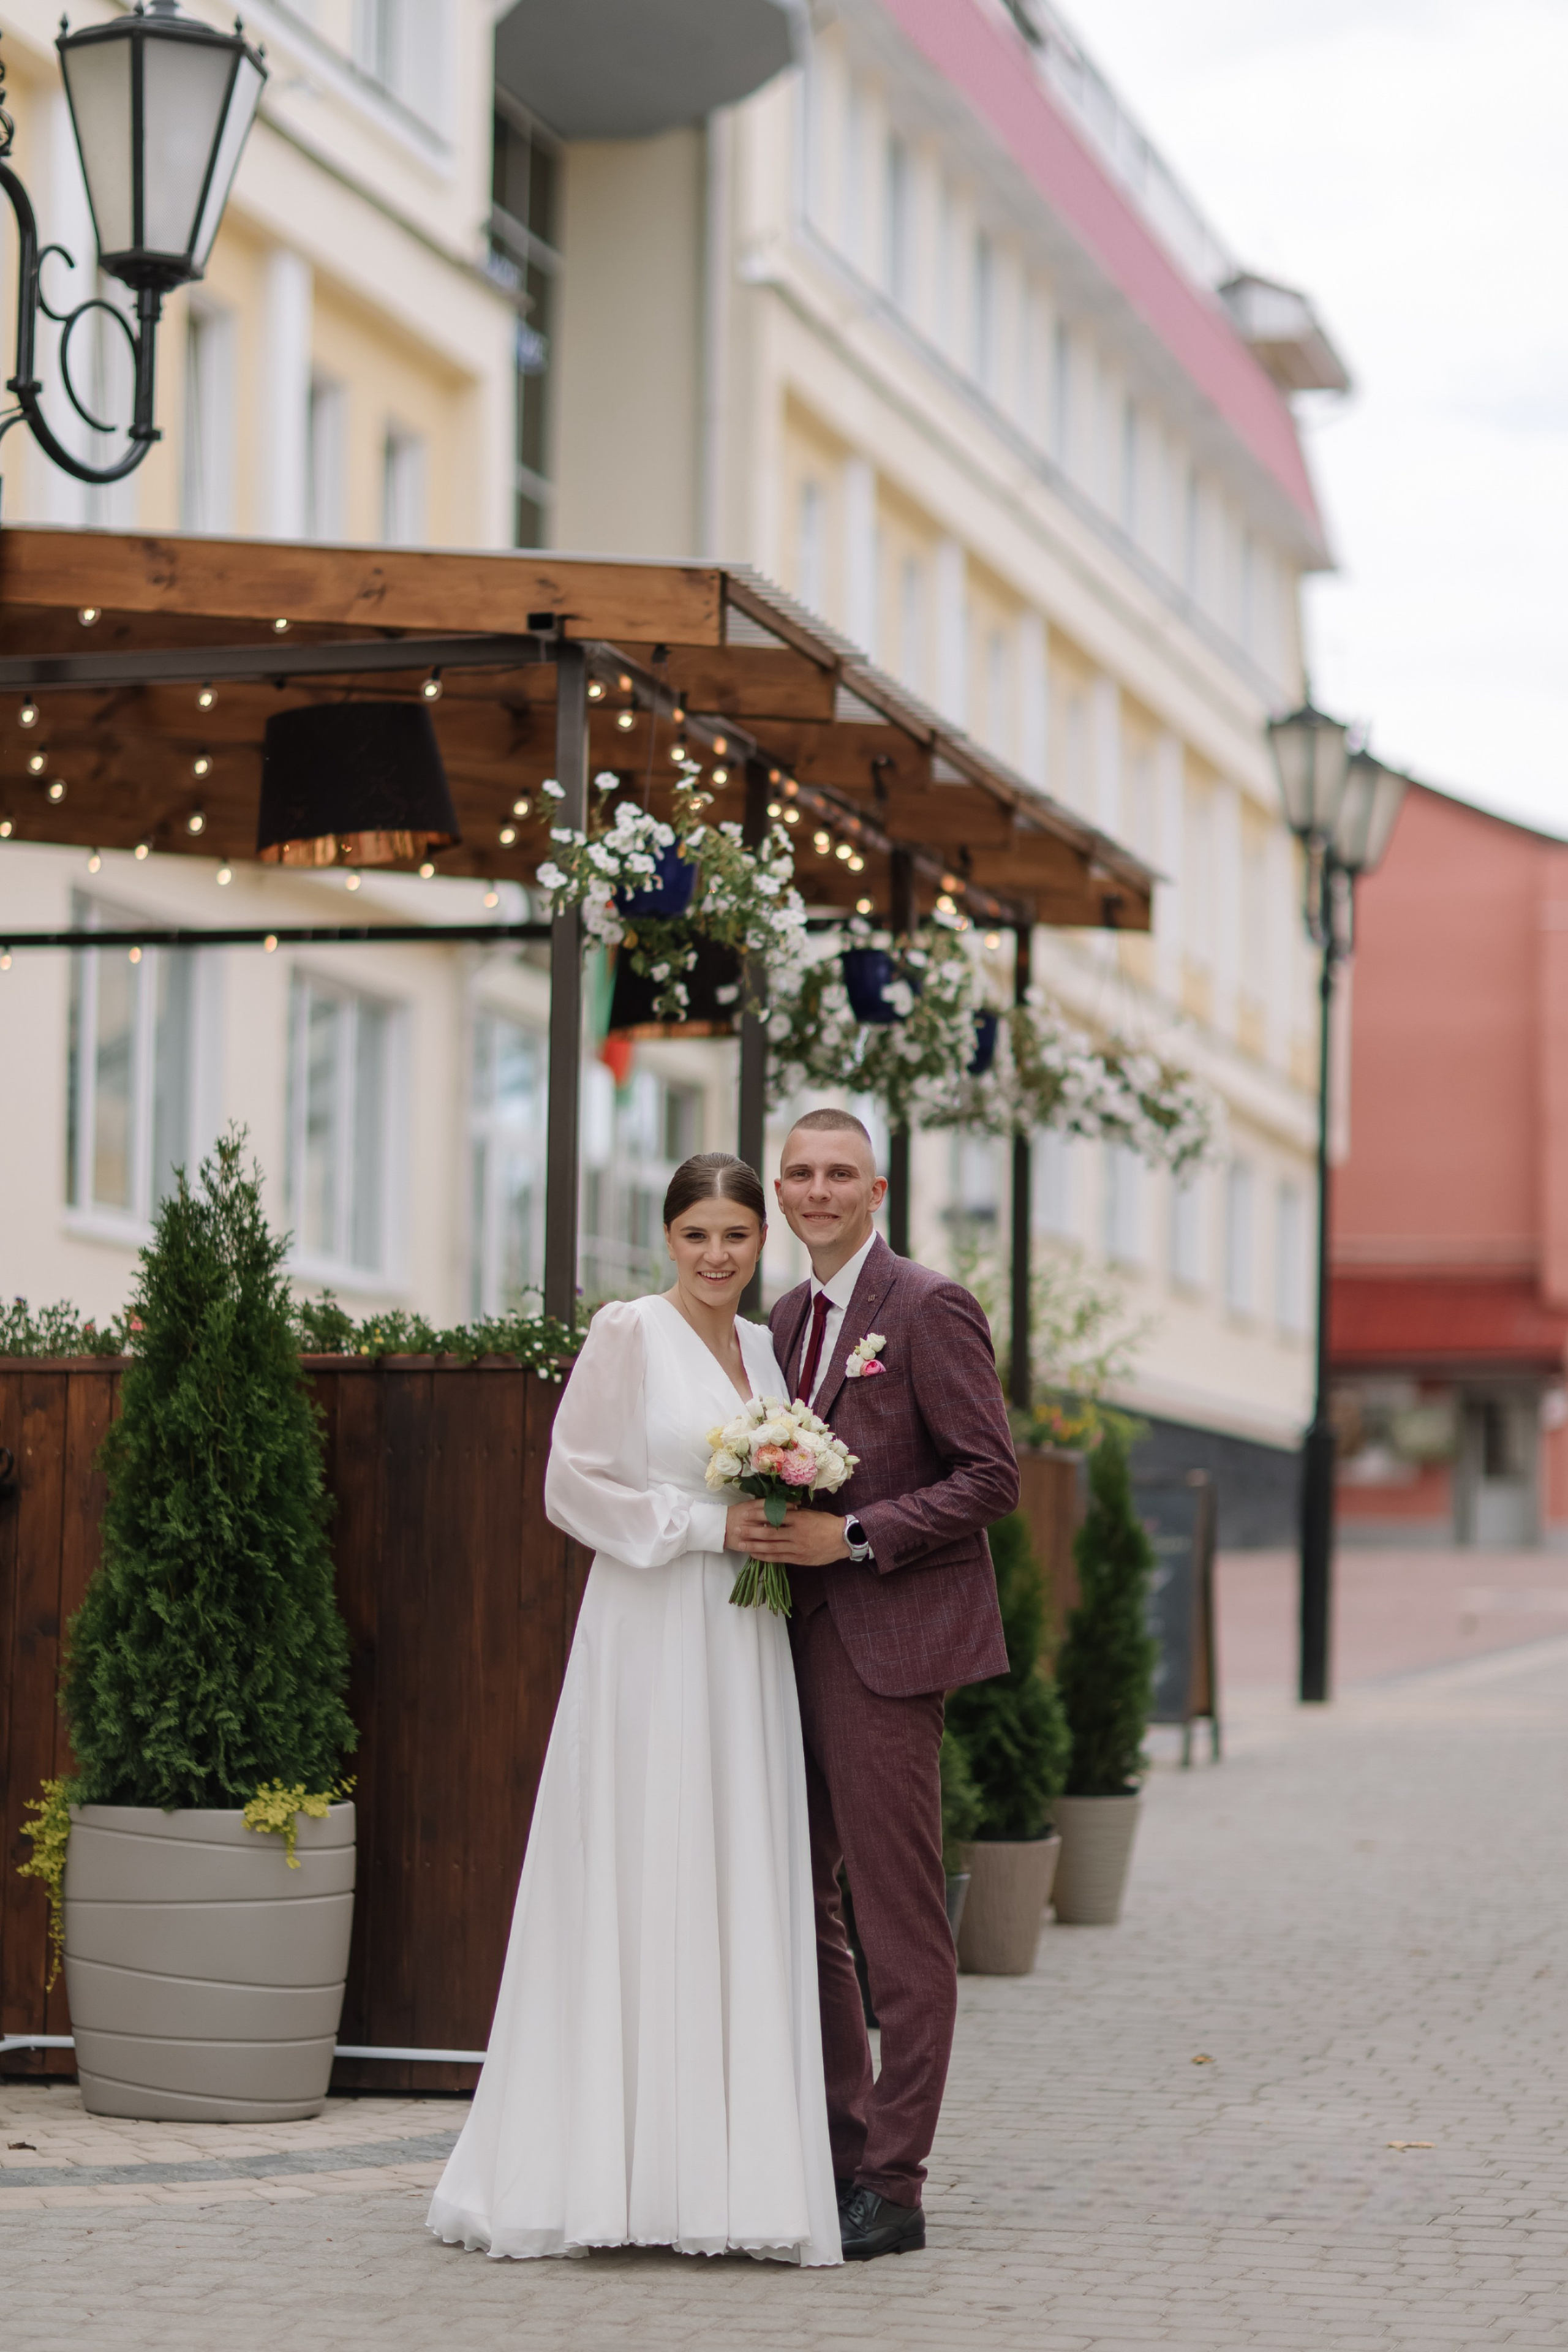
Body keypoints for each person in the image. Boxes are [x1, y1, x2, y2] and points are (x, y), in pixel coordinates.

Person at [428, 1152, 841, 2267]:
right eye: (699, 1234)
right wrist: (705, 1528)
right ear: (669, 1237)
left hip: (742, 1640)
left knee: (729, 1866)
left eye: (738, 1238)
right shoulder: (627, 1333)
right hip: (652, 1627)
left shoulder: (767, 1351)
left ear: (764, 1247)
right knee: (639, 1856)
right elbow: (573, 1484)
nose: (718, 1256)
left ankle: (729, 2179)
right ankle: (599, 2171)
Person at [726, 1109, 1019, 2263]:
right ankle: (838, 2149)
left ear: (878, 1189)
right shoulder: (782, 1321)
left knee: (898, 1924)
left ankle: (893, 2184)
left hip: (890, 1650)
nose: (814, 1189)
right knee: (801, 1908)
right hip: (780, 1648)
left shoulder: (928, 1306)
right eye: (797, 1172)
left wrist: (851, 1537)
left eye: (837, 1172)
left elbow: (990, 1476)